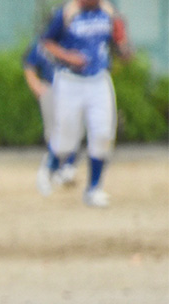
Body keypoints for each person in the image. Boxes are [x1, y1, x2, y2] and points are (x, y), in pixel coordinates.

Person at [40, 0, 132, 208]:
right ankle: (50, 167)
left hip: (99, 80)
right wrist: (68, 56)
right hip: (70, 80)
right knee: (67, 137)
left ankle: (93, 189)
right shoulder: (67, 12)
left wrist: (123, 44)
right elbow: (46, 42)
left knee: (102, 134)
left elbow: (123, 50)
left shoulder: (108, 13)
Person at [23, 36, 79, 196]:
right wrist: (36, 86)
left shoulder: (74, 41)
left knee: (73, 128)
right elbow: (29, 65)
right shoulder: (41, 45)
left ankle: (67, 167)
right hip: (50, 88)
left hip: (72, 89)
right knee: (54, 132)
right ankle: (50, 170)